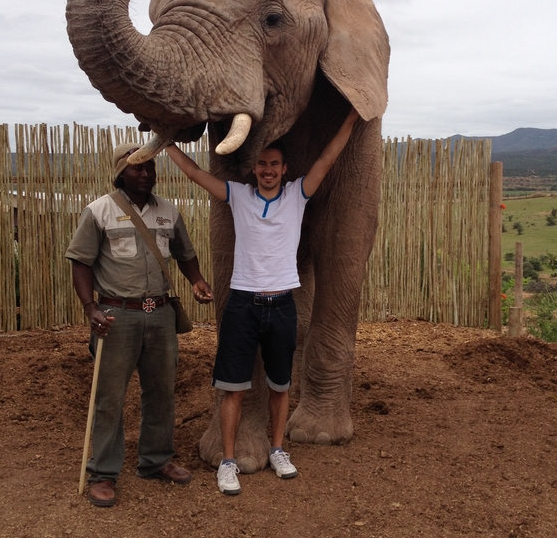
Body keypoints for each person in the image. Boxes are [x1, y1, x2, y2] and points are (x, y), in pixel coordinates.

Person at [165, 107, 359, 495]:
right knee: (234, 387)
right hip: (242, 304)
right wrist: (167, 143)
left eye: (274, 164)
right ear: (253, 169)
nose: (267, 170)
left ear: (284, 169)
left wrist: (351, 119)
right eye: (262, 164)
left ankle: (277, 450)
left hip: (282, 305)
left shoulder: (297, 195)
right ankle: (228, 461)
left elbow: (327, 158)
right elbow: (197, 174)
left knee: (279, 385)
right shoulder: (238, 195)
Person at [66, 142, 213, 508]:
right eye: (137, 168)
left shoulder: (168, 211)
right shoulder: (99, 212)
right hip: (116, 316)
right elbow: (81, 262)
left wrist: (196, 280)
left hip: (160, 314)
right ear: (121, 173)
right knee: (109, 397)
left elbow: (184, 253)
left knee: (161, 392)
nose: (146, 174)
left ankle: (156, 460)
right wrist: (90, 308)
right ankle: (103, 472)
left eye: (150, 167)